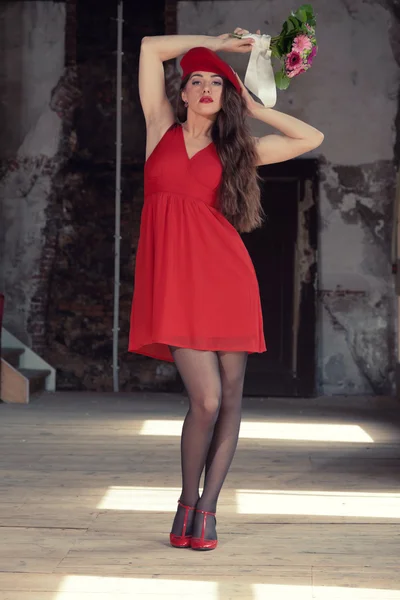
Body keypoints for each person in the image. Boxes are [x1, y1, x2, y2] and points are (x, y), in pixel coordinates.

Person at [129, 28, 324, 551]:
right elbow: (150, 47)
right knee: (208, 399)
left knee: (232, 398)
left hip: (227, 281)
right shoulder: (159, 130)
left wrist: (255, 107)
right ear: (184, 92)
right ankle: (185, 498)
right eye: (197, 80)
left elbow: (311, 140)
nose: (207, 88)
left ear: (227, 95)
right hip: (176, 287)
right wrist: (218, 41)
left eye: (218, 82)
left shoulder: (239, 151)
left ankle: (207, 510)